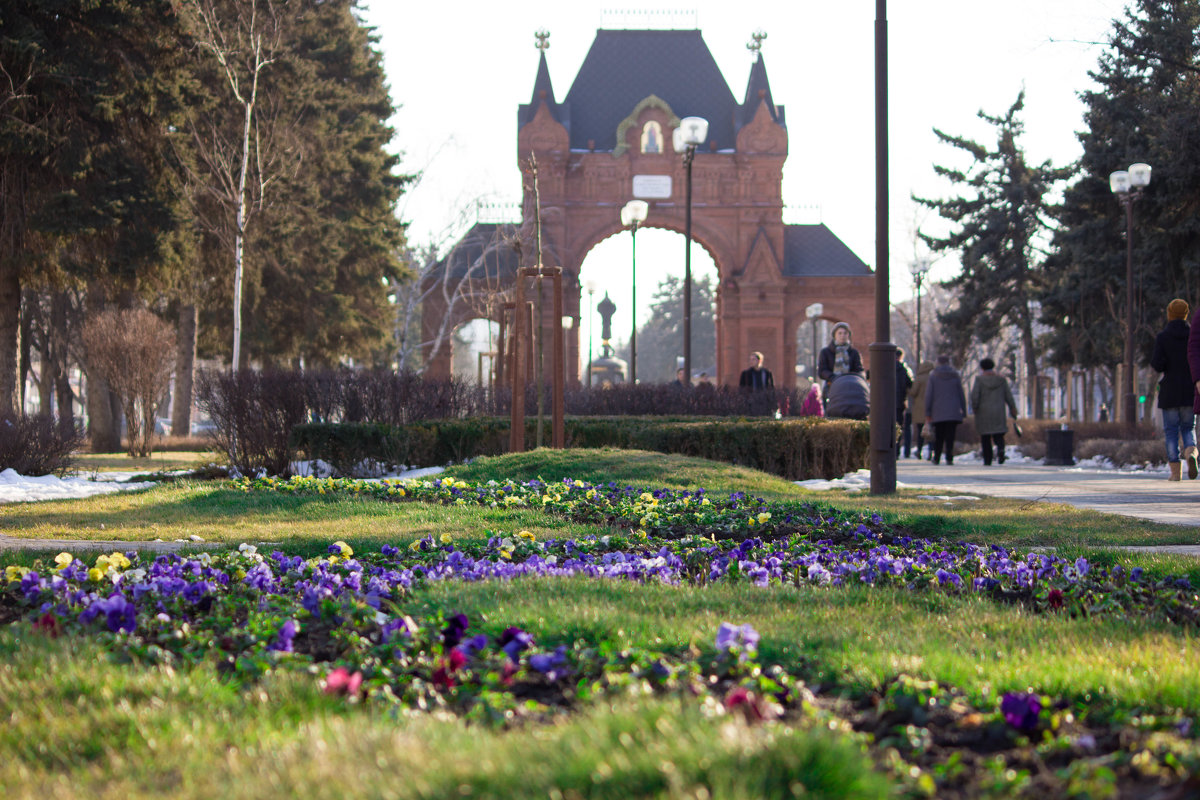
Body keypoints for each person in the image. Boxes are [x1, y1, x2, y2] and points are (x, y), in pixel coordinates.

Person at [1153, 298, 1198, 480]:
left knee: (1171, 430)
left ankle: (1175, 472)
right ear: (1186, 314)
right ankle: (1191, 453)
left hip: (1170, 390)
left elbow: (1157, 364)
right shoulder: (1192, 335)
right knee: (1189, 427)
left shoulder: (1163, 337)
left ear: (1169, 314)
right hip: (1189, 389)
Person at [969, 357, 1018, 466]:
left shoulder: (979, 380)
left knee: (985, 436)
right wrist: (1013, 409)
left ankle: (988, 459)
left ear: (982, 368)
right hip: (999, 411)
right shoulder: (1001, 380)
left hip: (983, 412)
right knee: (999, 434)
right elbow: (1008, 396)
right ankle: (1000, 450)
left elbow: (975, 396)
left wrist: (975, 407)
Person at [924, 354, 966, 465]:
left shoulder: (933, 376)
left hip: (937, 410)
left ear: (938, 362)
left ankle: (937, 456)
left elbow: (929, 395)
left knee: (939, 435)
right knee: (950, 435)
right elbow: (961, 393)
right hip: (953, 410)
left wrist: (928, 411)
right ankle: (949, 457)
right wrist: (963, 410)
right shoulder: (955, 375)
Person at [817, 322, 864, 401]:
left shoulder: (854, 352)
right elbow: (822, 371)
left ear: (848, 335)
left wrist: (851, 378)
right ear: (834, 335)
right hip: (831, 386)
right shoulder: (826, 352)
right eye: (840, 333)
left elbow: (858, 369)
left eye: (845, 333)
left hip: (850, 388)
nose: (842, 336)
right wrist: (834, 378)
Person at [908, 360, 934, 459]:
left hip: (919, 407)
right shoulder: (933, 377)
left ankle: (919, 450)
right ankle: (931, 451)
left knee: (920, 431)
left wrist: (908, 390)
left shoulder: (919, 378)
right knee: (930, 431)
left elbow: (913, 392)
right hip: (931, 407)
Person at [895, 348, 913, 458]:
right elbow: (910, 384)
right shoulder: (903, 369)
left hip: (886, 404)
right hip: (900, 403)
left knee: (887, 427)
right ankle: (897, 451)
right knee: (898, 427)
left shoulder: (884, 367)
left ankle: (890, 449)